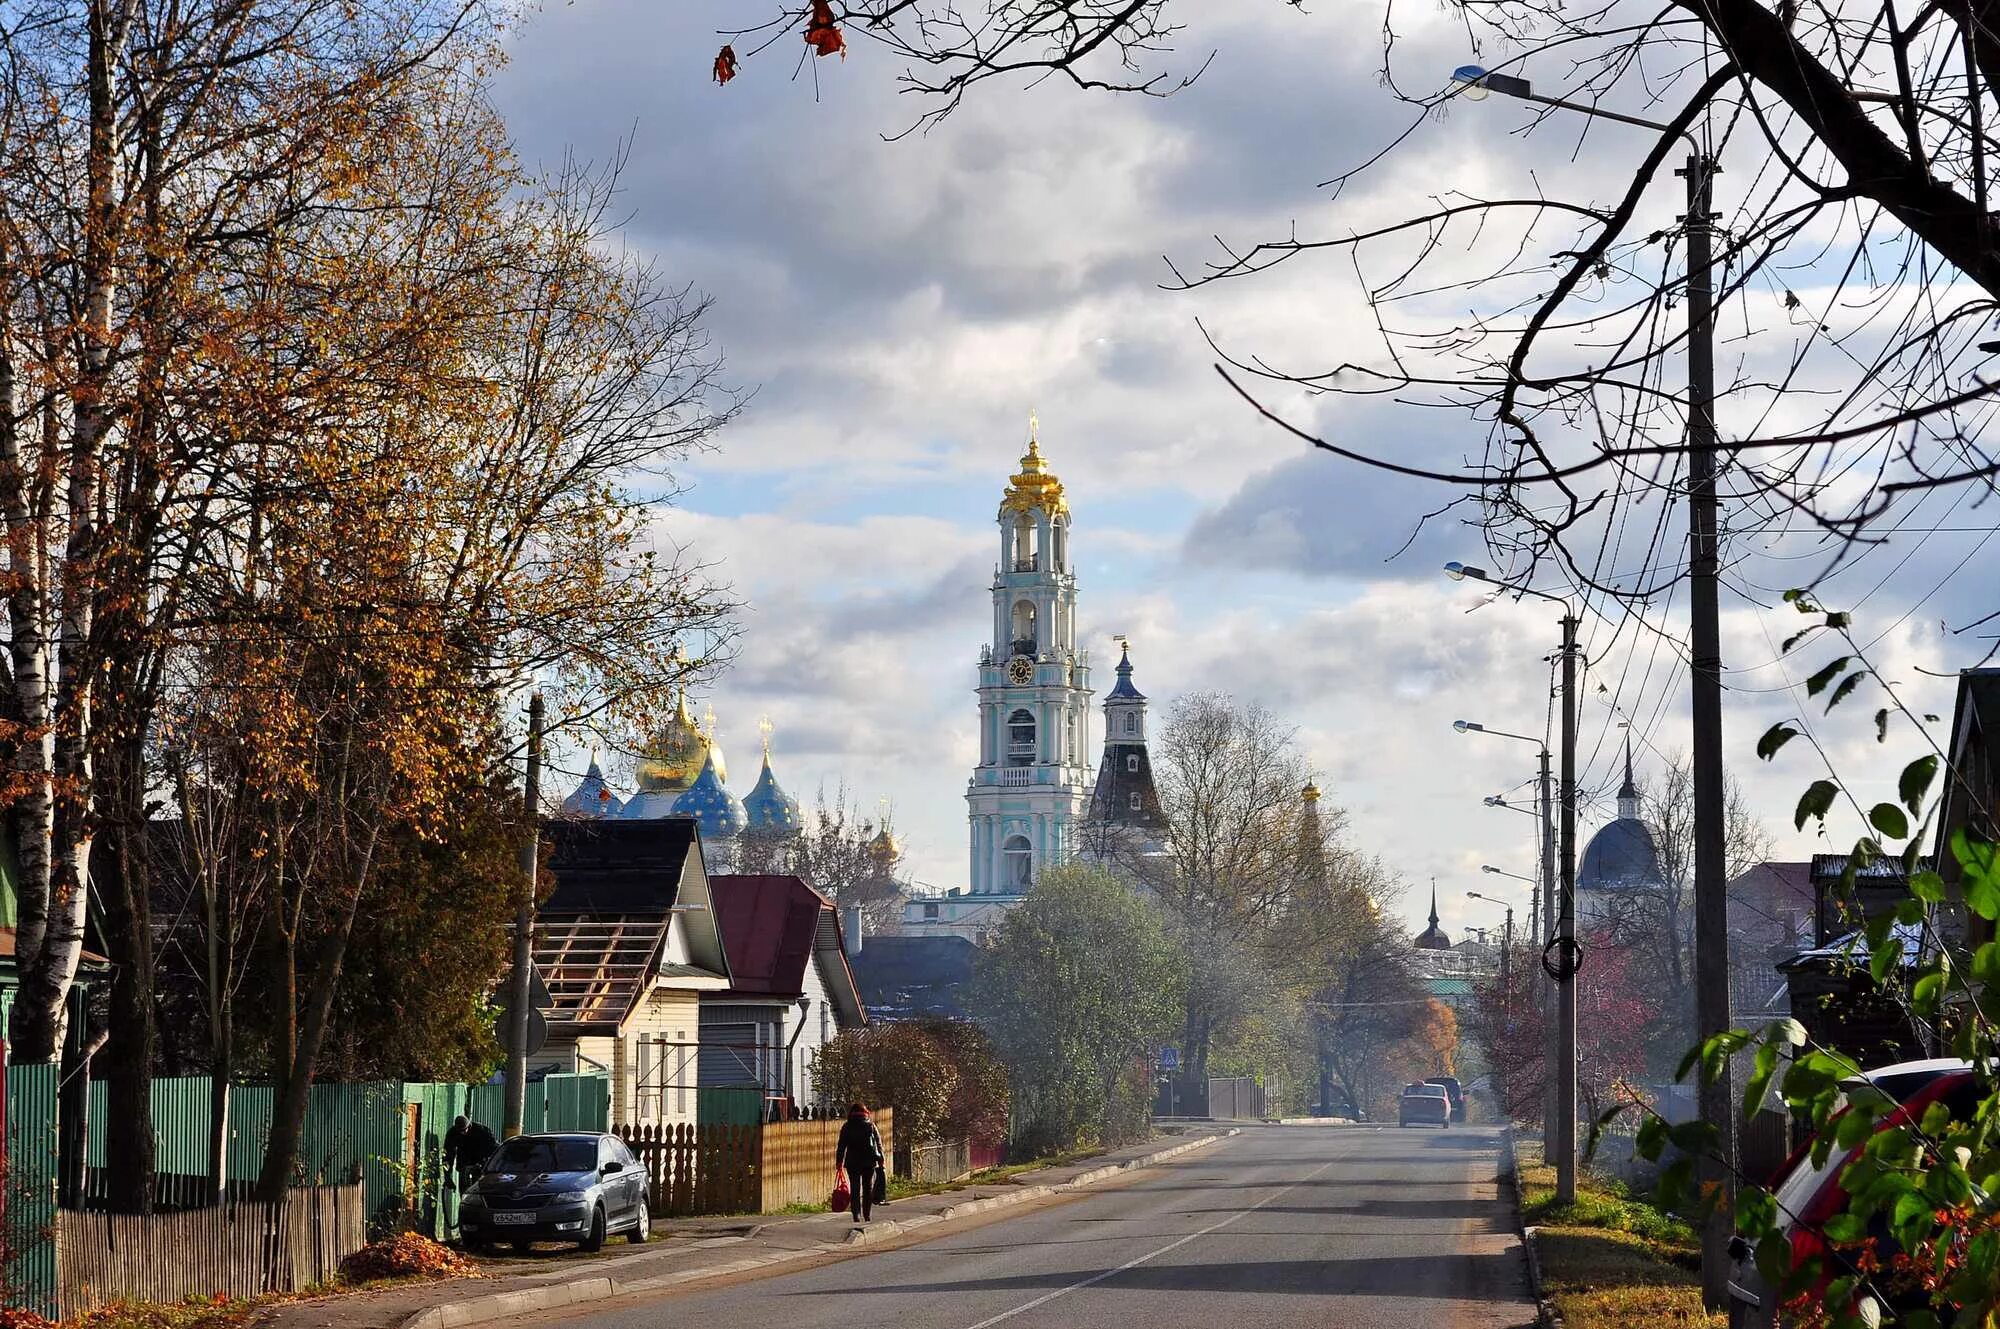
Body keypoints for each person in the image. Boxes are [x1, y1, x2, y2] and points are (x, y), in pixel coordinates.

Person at [833, 1102, 885, 1224]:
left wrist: (839, 1161)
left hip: (852, 1162)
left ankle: (856, 1214)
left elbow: (841, 1146)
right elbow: (878, 1143)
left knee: (855, 1189)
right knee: (867, 1188)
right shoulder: (871, 1125)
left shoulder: (847, 1126)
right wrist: (881, 1159)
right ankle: (867, 1215)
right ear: (865, 1112)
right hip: (869, 1162)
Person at [444, 1114, 499, 1194]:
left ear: (469, 1126)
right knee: (464, 1189)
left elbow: (493, 1148)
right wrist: (447, 1176)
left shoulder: (482, 1131)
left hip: (480, 1162)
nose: (462, 1133)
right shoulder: (453, 1133)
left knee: (478, 1189)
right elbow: (448, 1155)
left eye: (463, 1130)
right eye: (459, 1131)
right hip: (464, 1162)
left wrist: (486, 1163)